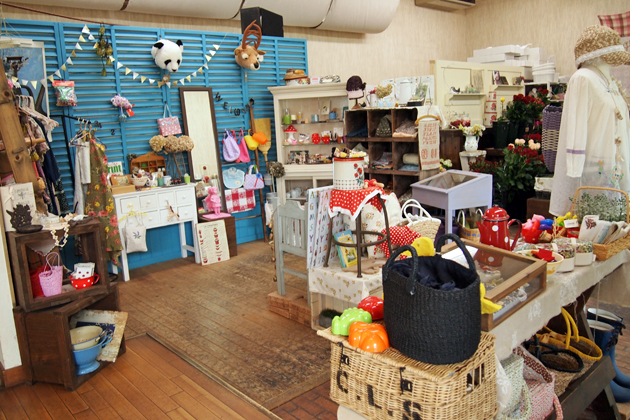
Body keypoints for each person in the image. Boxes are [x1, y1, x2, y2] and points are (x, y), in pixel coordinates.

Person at [550, 25, 630, 216]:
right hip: (592, 171)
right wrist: (575, 166)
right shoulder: (583, 78)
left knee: (617, 222)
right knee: (593, 221)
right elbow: (575, 125)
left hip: (615, 166)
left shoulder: (608, 81)